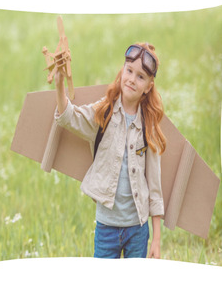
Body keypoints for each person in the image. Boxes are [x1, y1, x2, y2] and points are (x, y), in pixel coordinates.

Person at [54, 42, 166, 259]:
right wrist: (59, 85)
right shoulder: (104, 112)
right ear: (122, 71)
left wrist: (157, 239)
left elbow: (155, 186)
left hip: (138, 229)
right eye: (129, 70)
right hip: (106, 227)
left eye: (140, 76)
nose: (132, 79)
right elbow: (69, 117)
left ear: (148, 87)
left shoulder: (149, 126)